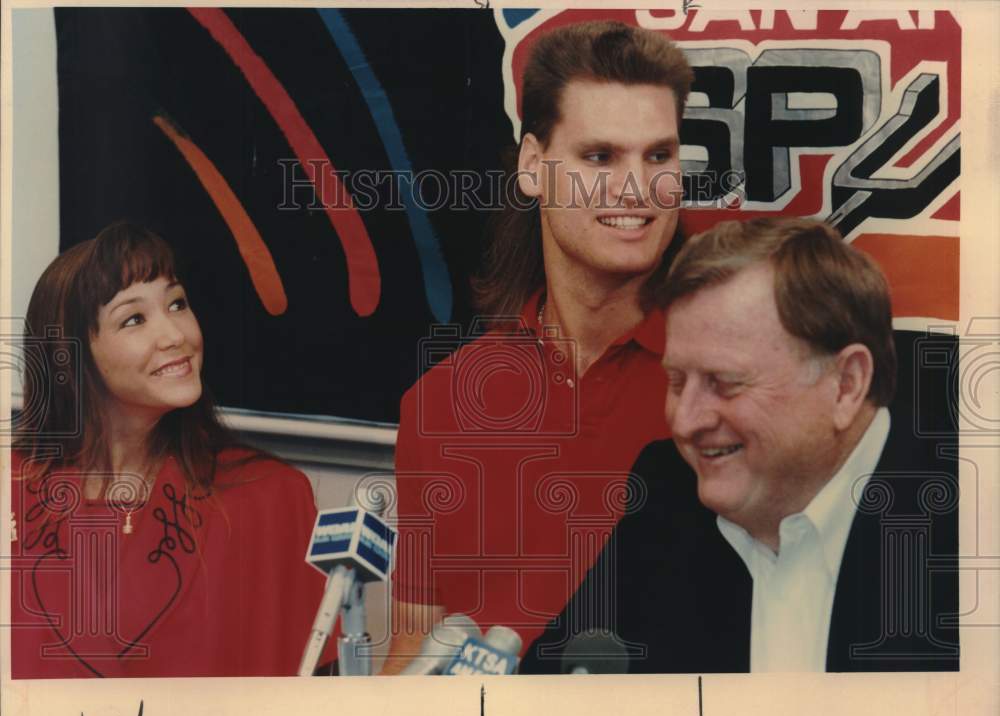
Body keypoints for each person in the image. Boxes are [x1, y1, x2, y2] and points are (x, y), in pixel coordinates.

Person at [384, 20, 693, 672]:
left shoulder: (723, 383)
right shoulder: (437, 404)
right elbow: (413, 644)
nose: (637, 186)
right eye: (600, 156)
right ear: (533, 166)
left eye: (659, 155)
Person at [522, 217, 960, 674]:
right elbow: (561, 684)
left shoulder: (969, 528)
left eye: (725, 383)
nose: (686, 421)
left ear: (845, 385)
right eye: (676, 381)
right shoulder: (666, 490)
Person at [10, 223, 325, 678]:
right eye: (133, 319)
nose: (175, 334)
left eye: (177, 303)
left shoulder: (271, 495)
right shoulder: (12, 491)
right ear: (70, 355)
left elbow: (318, 699)